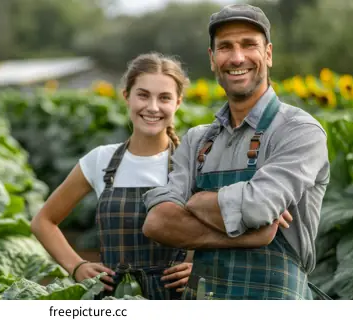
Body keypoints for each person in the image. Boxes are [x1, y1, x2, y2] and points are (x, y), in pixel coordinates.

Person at [141, 4, 331, 300]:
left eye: (248, 45)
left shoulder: (299, 131)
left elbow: (258, 207)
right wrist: (251, 234)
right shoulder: (196, 140)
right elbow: (158, 222)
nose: (237, 57)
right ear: (213, 59)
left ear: (268, 54)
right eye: (226, 47)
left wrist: (194, 201)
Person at [31, 52, 194, 300]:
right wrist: (76, 266)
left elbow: (225, 227)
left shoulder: (191, 163)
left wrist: (200, 267)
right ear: (126, 97)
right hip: (112, 299)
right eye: (143, 95)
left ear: (178, 102)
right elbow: (43, 221)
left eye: (164, 98)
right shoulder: (100, 160)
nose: (152, 107)